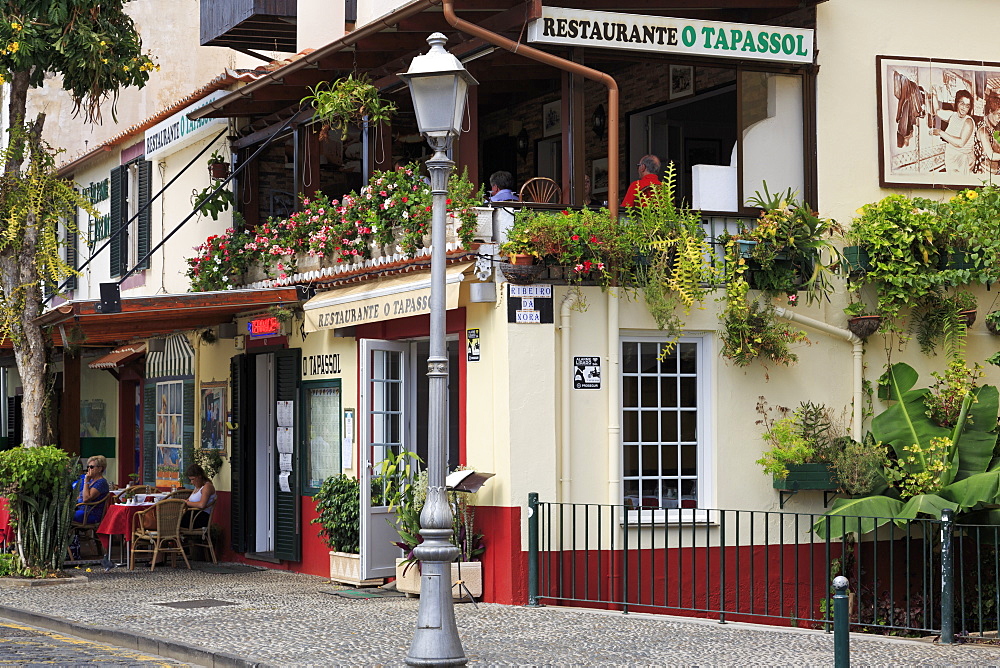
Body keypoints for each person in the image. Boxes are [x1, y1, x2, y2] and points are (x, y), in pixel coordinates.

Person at [930, 89, 975, 174]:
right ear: (957, 103)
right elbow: (937, 111)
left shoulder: (968, 122)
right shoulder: (952, 115)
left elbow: (960, 143)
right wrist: (934, 94)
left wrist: (940, 132)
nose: (964, 108)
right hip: (951, 158)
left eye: (967, 106)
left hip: (963, 161)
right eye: (962, 104)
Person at [73, 455, 110, 523]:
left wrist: (86, 480)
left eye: (92, 467)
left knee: (68, 515)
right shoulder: (91, 481)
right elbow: (80, 496)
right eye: (88, 467)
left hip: (91, 513)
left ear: (100, 469)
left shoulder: (101, 482)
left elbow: (86, 499)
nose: (89, 469)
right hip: (81, 510)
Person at [972, 93, 1000, 176]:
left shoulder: (991, 128)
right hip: (984, 174)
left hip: (994, 172)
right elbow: (991, 155)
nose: (999, 119)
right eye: (998, 115)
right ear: (990, 111)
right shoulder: (983, 130)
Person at [184, 464, 217, 529]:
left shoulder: (207, 487)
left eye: (193, 479)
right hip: (192, 515)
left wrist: (186, 503)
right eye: (190, 480)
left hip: (199, 517)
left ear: (199, 476)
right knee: (169, 517)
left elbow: (202, 505)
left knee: (172, 521)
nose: (191, 482)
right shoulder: (197, 487)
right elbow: (189, 500)